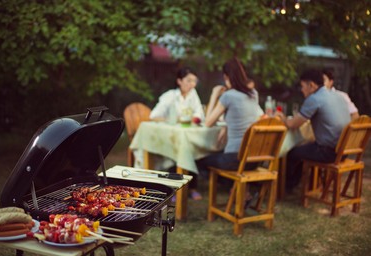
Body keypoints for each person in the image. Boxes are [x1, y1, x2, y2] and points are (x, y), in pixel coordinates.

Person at [197, 58, 264, 199]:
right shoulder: (253, 94)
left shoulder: (228, 96)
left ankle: (235, 189)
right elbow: (244, 117)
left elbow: (208, 122)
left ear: (226, 77)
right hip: (254, 159)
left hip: (236, 160)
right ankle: (241, 191)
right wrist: (227, 126)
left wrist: (214, 94)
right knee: (220, 154)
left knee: (200, 160)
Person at [276, 69, 351, 193]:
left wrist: (282, 117)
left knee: (292, 153)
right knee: (303, 149)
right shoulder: (338, 96)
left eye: (302, 86)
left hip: (329, 152)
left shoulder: (315, 98)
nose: (301, 90)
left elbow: (293, 124)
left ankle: (286, 187)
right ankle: (293, 184)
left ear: (311, 85)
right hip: (344, 150)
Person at [150, 66, 205, 200]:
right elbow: (154, 115)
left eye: (194, 81)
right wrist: (172, 119)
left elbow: (199, 113)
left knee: (191, 149)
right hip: (170, 136)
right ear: (179, 81)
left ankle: (192, 188)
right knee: (176, 152)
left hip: (187, 134)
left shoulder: (193, 94)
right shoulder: (170, 96)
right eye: (189, 80)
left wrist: (195, 118)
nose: (192, 84)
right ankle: (173, 189)